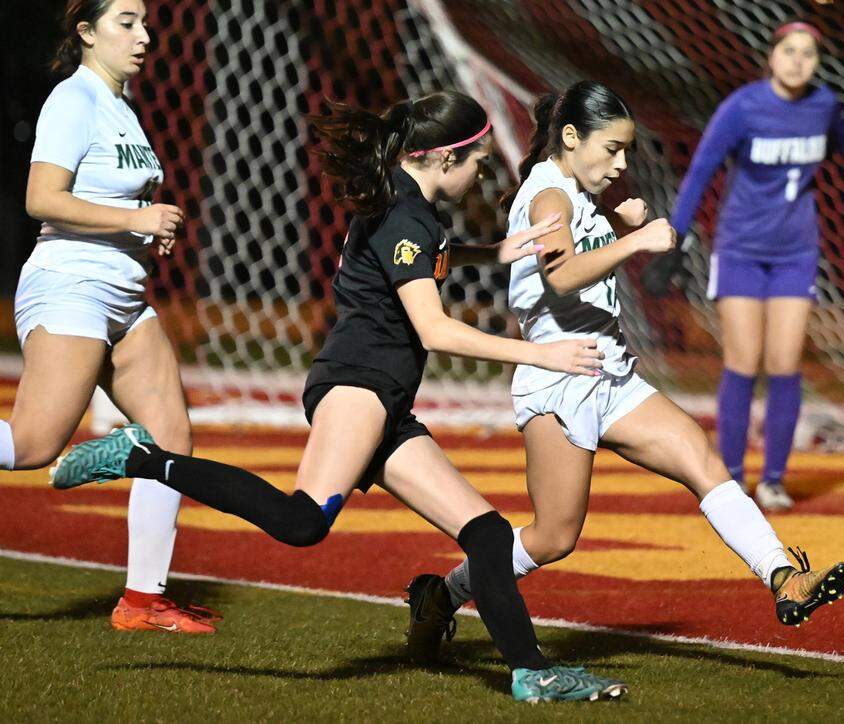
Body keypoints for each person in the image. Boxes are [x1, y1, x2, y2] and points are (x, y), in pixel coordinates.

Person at [51, 89, 629, 703]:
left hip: (383, 397)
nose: (482, 170)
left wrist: (489, 253)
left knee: (487, 535)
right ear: (440, 158)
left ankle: (531, 674)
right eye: (477, 160)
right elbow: (434, 328)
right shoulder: (406, 216)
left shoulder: (405, 208)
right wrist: (541, 353)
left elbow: (412, 261)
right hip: (358, 385)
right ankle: (139, 458)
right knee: (302, 523)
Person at [404, 81, 844, 661]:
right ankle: (442, 594)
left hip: (612, 377)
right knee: (554, 536)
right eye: (611, 149)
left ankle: (782, 578)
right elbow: (562, 275)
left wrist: (615, 225)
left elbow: (576, 259)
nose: (620, 164)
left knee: (703, 459)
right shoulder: (549, 196)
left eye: (625, 152)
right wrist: (636, 240)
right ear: (571, 138)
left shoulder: (576, 189)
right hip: (559, 381)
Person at [644, 20, 844, 511]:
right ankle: (728, 480)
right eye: (789, 51)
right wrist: (675, 242)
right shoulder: (743, 107)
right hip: (740, 251)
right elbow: (700, 172)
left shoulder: (822, 106)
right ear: (772, 57)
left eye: (809, 54)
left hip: (796, 253)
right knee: (742, 361)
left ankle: (773, 479)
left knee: (784, 364)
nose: (798, 61)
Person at [2, 0, 217, 633]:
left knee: (172, 436)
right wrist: (136, 219)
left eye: (146, 23)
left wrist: (151, 227)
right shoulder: (73, 99)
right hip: (71, 287)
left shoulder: (120, 107)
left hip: (123, 294)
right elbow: (42, 198)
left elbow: (111, 197)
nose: (144, 36)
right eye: (126, 22)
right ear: (86, 32)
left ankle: (143, 602)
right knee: (33, 445)